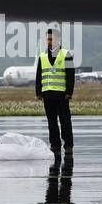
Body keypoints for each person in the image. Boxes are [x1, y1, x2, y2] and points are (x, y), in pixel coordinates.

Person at [35, 28, 75, 156]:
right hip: (47, 94)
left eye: (51, 39)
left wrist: (69, 92)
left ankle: (68, 145)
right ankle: (55, 145)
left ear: (58, 39)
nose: (49, 41)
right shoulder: (42, 56)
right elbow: (39, 75)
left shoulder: (66, 54)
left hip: (62, 95)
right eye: (47, 39)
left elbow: (70, 75)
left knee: (65, 121)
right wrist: (38, 92)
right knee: (51, 122)